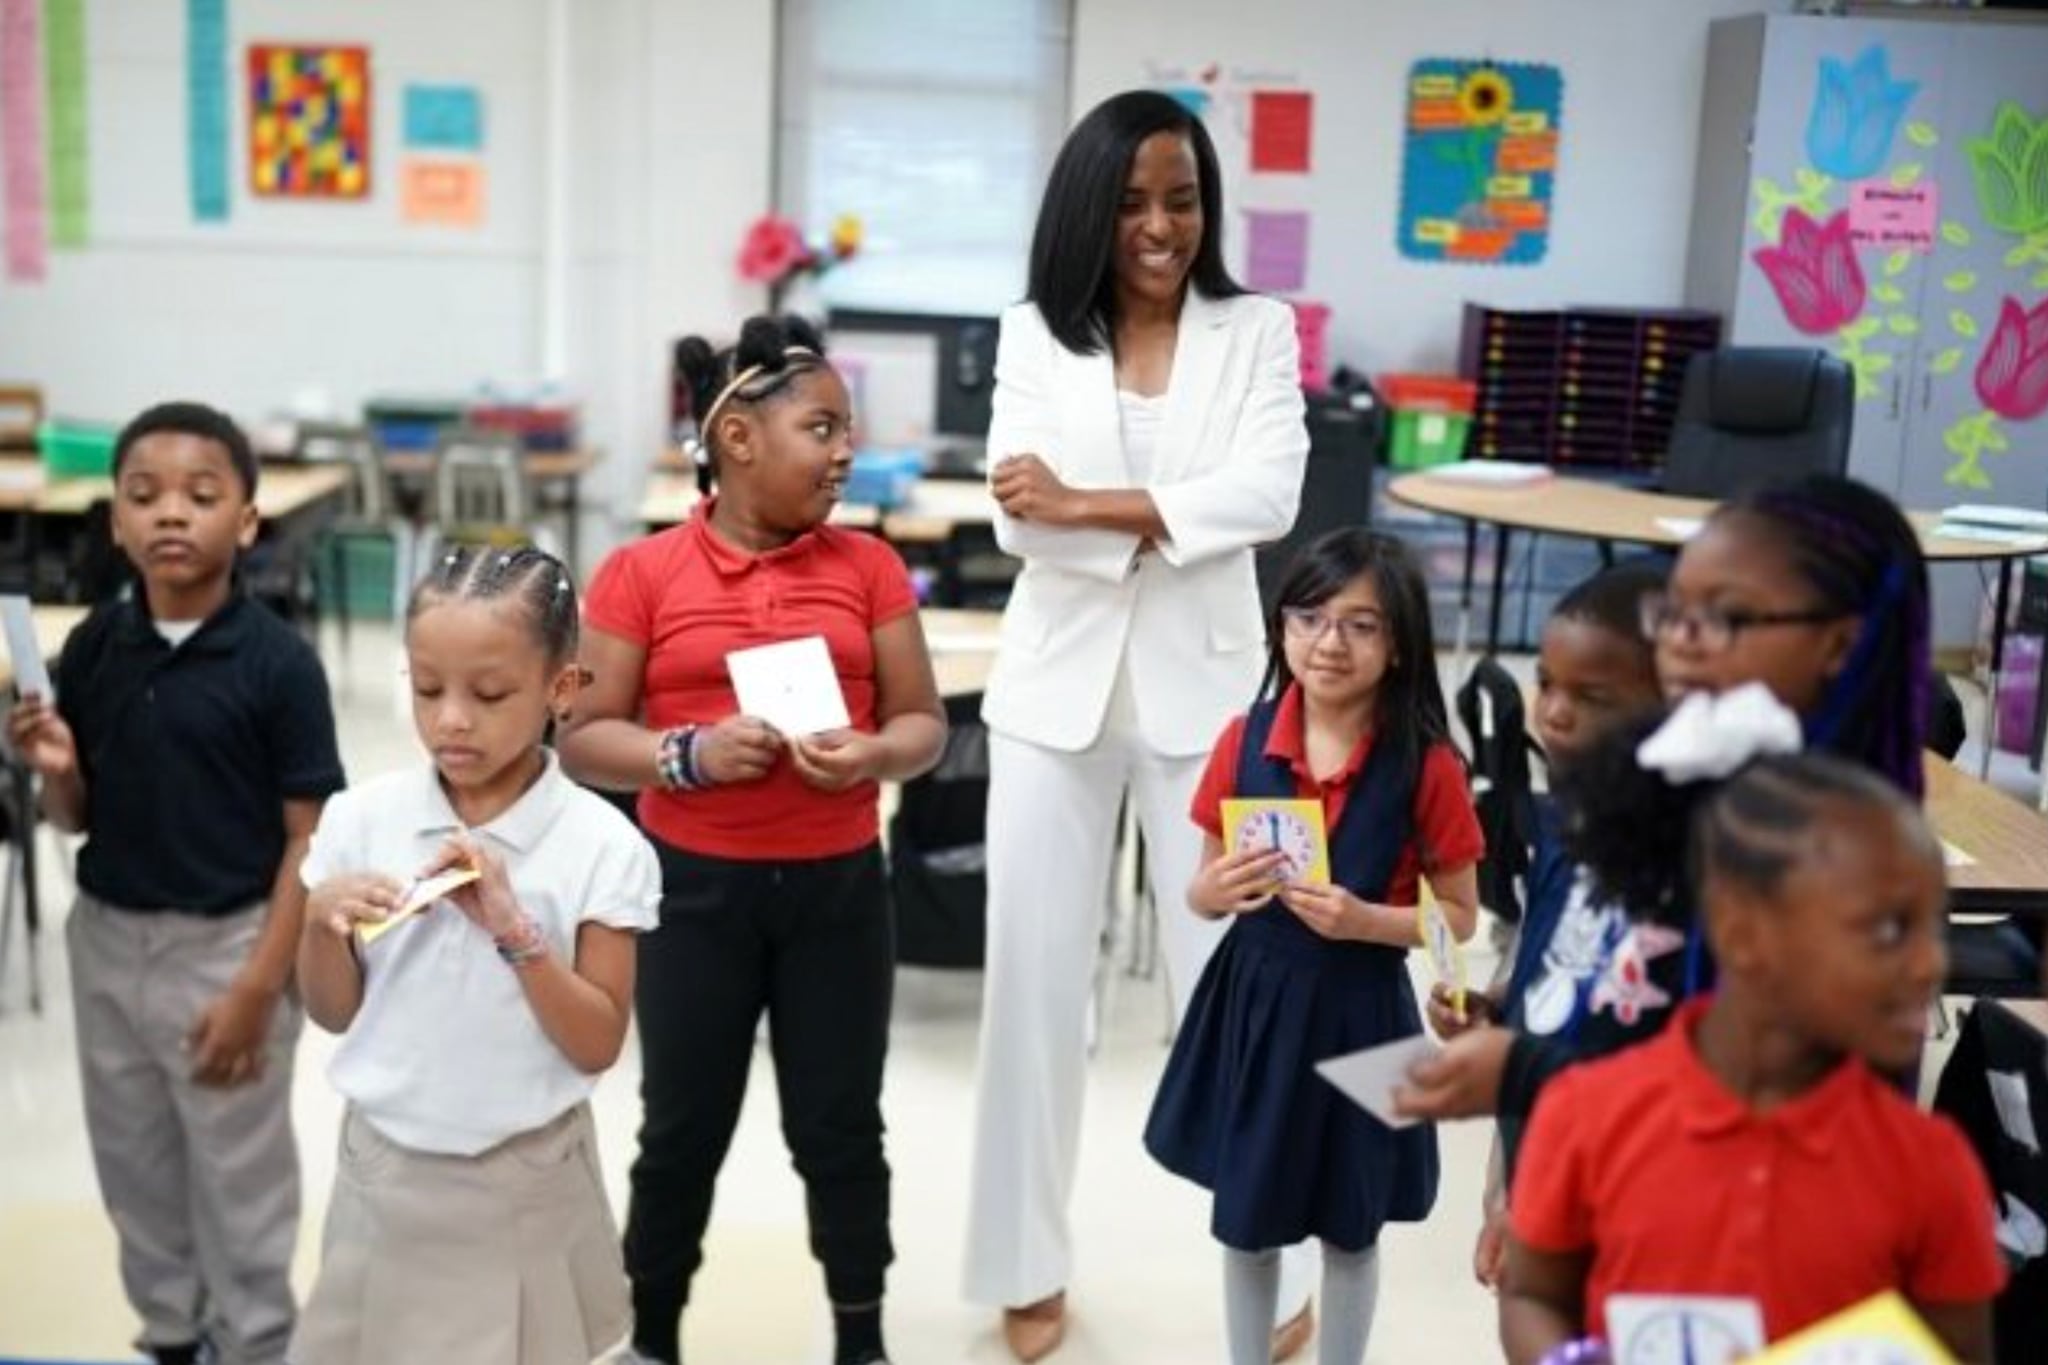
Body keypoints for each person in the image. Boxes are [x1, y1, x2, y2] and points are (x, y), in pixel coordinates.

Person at [964, 88, 1311, 1361]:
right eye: (1130, 202)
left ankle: (1266, 1276)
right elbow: (1015, 522)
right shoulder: (1031, 335)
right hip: (1050, 699)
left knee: (1241, 981)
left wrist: (1091, 502)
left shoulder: (1257, 329)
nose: (1159, 225)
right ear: (1086, 212)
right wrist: (1159, 510)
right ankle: (1021, 1262)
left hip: (1212, 697)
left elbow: (1268, 494)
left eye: (1180, 197)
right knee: (1033, 990)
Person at [558, 314, 946, 1365]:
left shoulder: (865, 566)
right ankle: (652, 1341)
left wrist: (869, 755)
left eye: (844, 430)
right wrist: (685, 755)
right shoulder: (639, 574)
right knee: (678, 1132)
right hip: (691, 896)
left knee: (838, 1131)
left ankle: (860, 1342)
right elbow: (583, 738)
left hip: (836, 893)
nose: (843, 451)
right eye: (820, 427)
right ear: (737, 441)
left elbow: (924, 726)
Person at [1397, 473, 1932, 1130]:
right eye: (1673, 610)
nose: (1679, 638)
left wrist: (1520, 1073)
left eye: (1727, 615)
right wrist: (1509, 1017)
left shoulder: (1834, 861)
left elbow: (1744, 1108)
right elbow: (1585, 955)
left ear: (1839, 644)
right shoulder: (1651, 787)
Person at [5, 401, 345, 1365]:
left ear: (245, 520)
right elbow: (77, 818)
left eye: (201, 496)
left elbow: (308, 846)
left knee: (240, 1177)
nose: (169, 515)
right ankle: (170, 1335)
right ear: (112, 520)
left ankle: (255, 1342)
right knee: (136, 1167)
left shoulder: (279, 666)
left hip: (232, 943)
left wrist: (254, 990)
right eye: (143, 495)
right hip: (108, 939)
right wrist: (59, 766)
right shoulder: (95, 651)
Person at [1501, 724, 2005, 1363]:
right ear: (1741, 933)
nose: (1932, 963)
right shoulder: (1585, 1116)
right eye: (1887, 929)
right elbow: (1532, 1294)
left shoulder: (1932, 1170)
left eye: (1933, 927)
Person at [290, 545, 658, 1364]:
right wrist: (318, 925)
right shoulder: (361, 818)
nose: (451, 718)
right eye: (426, 689)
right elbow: (331, 1009)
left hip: (525, 1178)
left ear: (561, 689)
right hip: (384, 1170)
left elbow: (597, 1040)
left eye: (488, 693)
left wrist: (515, 931)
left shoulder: (602, 845)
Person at [1144, 529, 1483, 1365]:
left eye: (1361, 625)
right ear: (1281, 628)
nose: (1330, 642)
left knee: (1352, 1224)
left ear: (1399, 644)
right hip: (1255, 1008)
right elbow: (1199, 888)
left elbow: (1462, 920)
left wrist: (1370, 921)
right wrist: (1214, 892)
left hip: (1367, 1011)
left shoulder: (1427, 765)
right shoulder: (1244, 739)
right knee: (1250, 1221)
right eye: (1310, 618)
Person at [1425, 564, 1667, 1290]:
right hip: (1535, 1157)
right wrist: (1497, 1009)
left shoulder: (1693, 871)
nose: (1554, 713)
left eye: (1593, 696)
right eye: (1548, 684)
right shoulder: (1566, 822)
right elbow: (1544, 964)